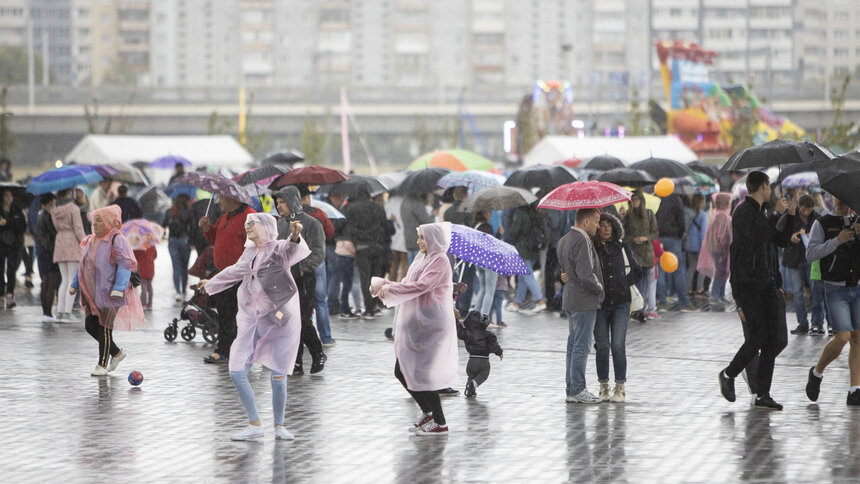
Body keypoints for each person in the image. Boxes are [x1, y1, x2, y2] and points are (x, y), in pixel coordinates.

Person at [198, 213, 310, 441]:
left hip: (280, 319)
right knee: (237, 370)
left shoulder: (278, 248)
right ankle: (255, 424)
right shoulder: (249, 252)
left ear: (266, 227)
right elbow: (234, 271)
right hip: (252, 320)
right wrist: (212, 283)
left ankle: (279, 427)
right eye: (246, 223)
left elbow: (292, 249)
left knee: (278, 375)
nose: (247, 226)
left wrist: (296, 235)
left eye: (252, 223)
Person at [371, 222, 458, 436]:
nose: (419, 241)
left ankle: (440, 422)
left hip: (430, 323)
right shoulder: (423, 258)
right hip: (418, 322)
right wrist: (386, 284)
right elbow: (409, 283)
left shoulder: (440, 260)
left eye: (422, 237)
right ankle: (428, 412)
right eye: (418, 237)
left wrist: (390, 288)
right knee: (404, 370)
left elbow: (422, 286)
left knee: (421, 372)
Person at [718, 171, 795, 411]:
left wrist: (789, 216)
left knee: (774, 341)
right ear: (762, 185)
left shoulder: (762, 213)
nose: (771, 189)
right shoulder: (743, 211)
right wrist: (775, 215)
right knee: (758, 338)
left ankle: (763, 393)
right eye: (769, 185)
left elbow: (778, 240)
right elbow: (755, 238)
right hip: (749, 286)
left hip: (768, 285)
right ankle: (729, 374)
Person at [69, 205, 145, 376]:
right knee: (90, 325)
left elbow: (125, 264)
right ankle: (116, 353)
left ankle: (102, 365)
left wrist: (118, 288)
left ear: (110, 221)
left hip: (111, 293)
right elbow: (83, 264)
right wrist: (75, 283)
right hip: (93, 293)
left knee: (105, 326)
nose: (95, 224)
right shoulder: (91, 240)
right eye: (94, 221)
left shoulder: (117, 240)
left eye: (99, 221)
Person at [804, 197, 860, 406]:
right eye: (835, 196)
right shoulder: (823, 222)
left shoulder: (857, 220)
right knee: (843, 336)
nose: (838, 200)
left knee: (857, 338)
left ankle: (855, 389)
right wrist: (838, 240)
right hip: (835, 288)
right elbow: (811, 253)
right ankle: (817, 373)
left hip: (857, 285)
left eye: (843, 197)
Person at [273, 186, 326, 374]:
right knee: (287, 319)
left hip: (304, 278)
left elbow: (319, 251)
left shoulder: (312, 224)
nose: (279, 206)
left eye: (282, 202)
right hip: (284, 278)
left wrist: (303, 268)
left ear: (292, 201)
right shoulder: (279, 225)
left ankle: (317, 351)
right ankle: (295, 361)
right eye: (277, 203)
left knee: (302, 319)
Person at [199, 195, 256, 364]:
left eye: (222, 199)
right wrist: (208, 228)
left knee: (239, 315)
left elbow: (255, 244)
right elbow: (215, 239)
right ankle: (224, 350)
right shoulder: (224, 217)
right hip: (223, 274)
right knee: (224, 314)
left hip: (240, 275)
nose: (219, 201)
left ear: (233, 199)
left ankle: (241, 350)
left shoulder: (249, 216)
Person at [593, 212, 641, 403]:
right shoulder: (593, 248)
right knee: (602, 346)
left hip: (621, 303)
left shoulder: (622, 247)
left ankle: (620, 386)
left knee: (618, 346)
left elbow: (637, 271)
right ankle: (603, 385)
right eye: (602, 225)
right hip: (601, 304)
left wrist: (622, 282)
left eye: (609, 225)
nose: (605, 228)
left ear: (614, 228)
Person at [557, 208, 604, 404]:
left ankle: (571, 388)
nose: (598, 226)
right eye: (596, 222)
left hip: (570, 298)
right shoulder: (582, 240)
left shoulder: (564, 239)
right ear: (585, 222)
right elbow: (585, 274)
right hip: (583, 300)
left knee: (573, 345)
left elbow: (565, 272)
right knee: (581, 347)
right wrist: (599, 288)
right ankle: (578, 388)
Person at [341, 185, 389, 319]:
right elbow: (385, 225)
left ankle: (368, 309)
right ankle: (375, 305)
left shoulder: (350, 208)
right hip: (377, 246)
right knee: (376, 277)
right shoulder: (378, 207)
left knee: (365, 278)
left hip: (361, 247)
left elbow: (342, 224)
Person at [297, 185, 336, 346]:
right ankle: (326, 338)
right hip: (317, 260)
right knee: (320, 301)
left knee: (304, 301)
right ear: (306, 198)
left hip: (299, 261)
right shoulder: (318, 213)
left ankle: (306, 336)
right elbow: (330, 232)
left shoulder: (293, 216)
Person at [782, 194, 824, 335]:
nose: (807, 213)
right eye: (804, 210)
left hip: (811, 260)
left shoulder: (817, 218)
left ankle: (817, 323)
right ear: (800, 207)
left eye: (809, 210)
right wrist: (791, 237)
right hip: (794, 258)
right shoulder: (790, 217)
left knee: (815, 291)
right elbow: (781, 234)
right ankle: (802, 323)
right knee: (797, 292)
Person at [656, 192, 696, 312]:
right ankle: (684, 301)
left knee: (660, 270)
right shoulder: (676, 200)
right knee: (678, 270)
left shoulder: (656, 199)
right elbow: (681, 220)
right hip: (674, 238)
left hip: (659, 238)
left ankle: (662, 302)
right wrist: (679, 234)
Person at [51, 188, 86, 322]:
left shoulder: (55, 208)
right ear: (69, 192)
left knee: (64, 279)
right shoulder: (73, 208)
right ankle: (67, 312)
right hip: (71, 241)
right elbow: (78, 228)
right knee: (72, 280)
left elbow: (55, 226)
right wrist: (85, 242)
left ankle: (60, 311)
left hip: (60, 241)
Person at [623, 190, 659, 319]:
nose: (635, 202)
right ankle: (637, 309)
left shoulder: (649, 214)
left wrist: (646, 237)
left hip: (647, 253)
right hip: (633, 254)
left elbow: (655, 232)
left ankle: (642, 309)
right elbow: (622, 235)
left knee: (645, 283)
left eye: (637, 199)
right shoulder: (627, 216)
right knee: (636, 282)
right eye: (632, 200)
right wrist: (633, 239)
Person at [509, 202, 548, 313]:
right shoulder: (534, 212)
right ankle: (516, 303)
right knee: (523, 278)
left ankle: (540, 301)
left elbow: (514, 232)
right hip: (533, 249)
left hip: (523, 249)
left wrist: (510, 239)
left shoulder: (520, 214)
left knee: (527, 275)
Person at [456, 309, 503, 398]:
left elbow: (458, 329)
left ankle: (470, 389)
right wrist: (499, 352)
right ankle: (473, 385)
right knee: (483, 374)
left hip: (471, 360)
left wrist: (455, 320)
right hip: (484, 360)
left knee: (471, 375)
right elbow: (494, 344)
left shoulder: (466, 333)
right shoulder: (488, 334)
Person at [697, 193, 733, 306]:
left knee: (723, 272)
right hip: (721, 250)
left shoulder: (717, 214)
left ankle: (720, 295)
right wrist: (723, 250)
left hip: (719, 249)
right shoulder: (721, 216)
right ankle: (716, 295)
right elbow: (720, 236)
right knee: (720, 272)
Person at [163, 194, 194, 302]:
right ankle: (184, 290)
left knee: (176, 267)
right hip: (184, 241)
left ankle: (177, 292)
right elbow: (192, 227)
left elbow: (163, 226)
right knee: (184, 268)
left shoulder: (169, 212)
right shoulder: (187, 212)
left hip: (172, 241)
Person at [35, 193, 60, 322]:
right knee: (51, 282)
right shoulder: (47, 216)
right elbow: (51, 234)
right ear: (51, 201)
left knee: (44, 282)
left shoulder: (39, 214)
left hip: (41, 252)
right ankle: (48, 313)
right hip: (49, 252)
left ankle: (45, 312)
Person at [473, 211, 502, 318]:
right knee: (490, 291)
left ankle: (475, 315)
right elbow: (492, 245)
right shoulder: (487, 227)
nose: (490, 214)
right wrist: (499, 234)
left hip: (479, 260)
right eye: (488, 212)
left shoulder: (476, 226)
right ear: (483, 213)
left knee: (483, 289)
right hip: (489, 261)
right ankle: (484, 317)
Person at [0, 188, 25, 308]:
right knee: (0, 270)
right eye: (6, 196)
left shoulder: (17, 210)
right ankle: (0, 294)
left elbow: (22, 227)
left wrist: (7, 223)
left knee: (11, 269)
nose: (9, 199)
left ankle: (10, 293)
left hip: (14, 244)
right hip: (1, 244)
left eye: (11, 196)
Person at [400, 193, 435, 265]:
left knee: (411, 267)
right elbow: (426, 221)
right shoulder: (416, 203)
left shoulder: (404, 202)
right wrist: (433, 217)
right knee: (419, 267)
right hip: (419, 240)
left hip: (408, 239)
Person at [685, 194, 709, 297]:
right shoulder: (703, 215)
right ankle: (699, 289)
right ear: (701, 202)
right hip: (700, 245)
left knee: (691, 267)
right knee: (703, 268)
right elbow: (703, 232)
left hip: (689, 245)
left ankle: (688, 289)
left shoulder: (688, 213)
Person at [134, 245, 156, 310]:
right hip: (150, 267)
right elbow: (155, 255)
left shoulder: (139, 246)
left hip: (142, 268)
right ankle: (150, 304)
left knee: (143, 286)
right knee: (149, 286)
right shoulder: (152, 245)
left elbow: (134, 256)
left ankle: (143, 304)